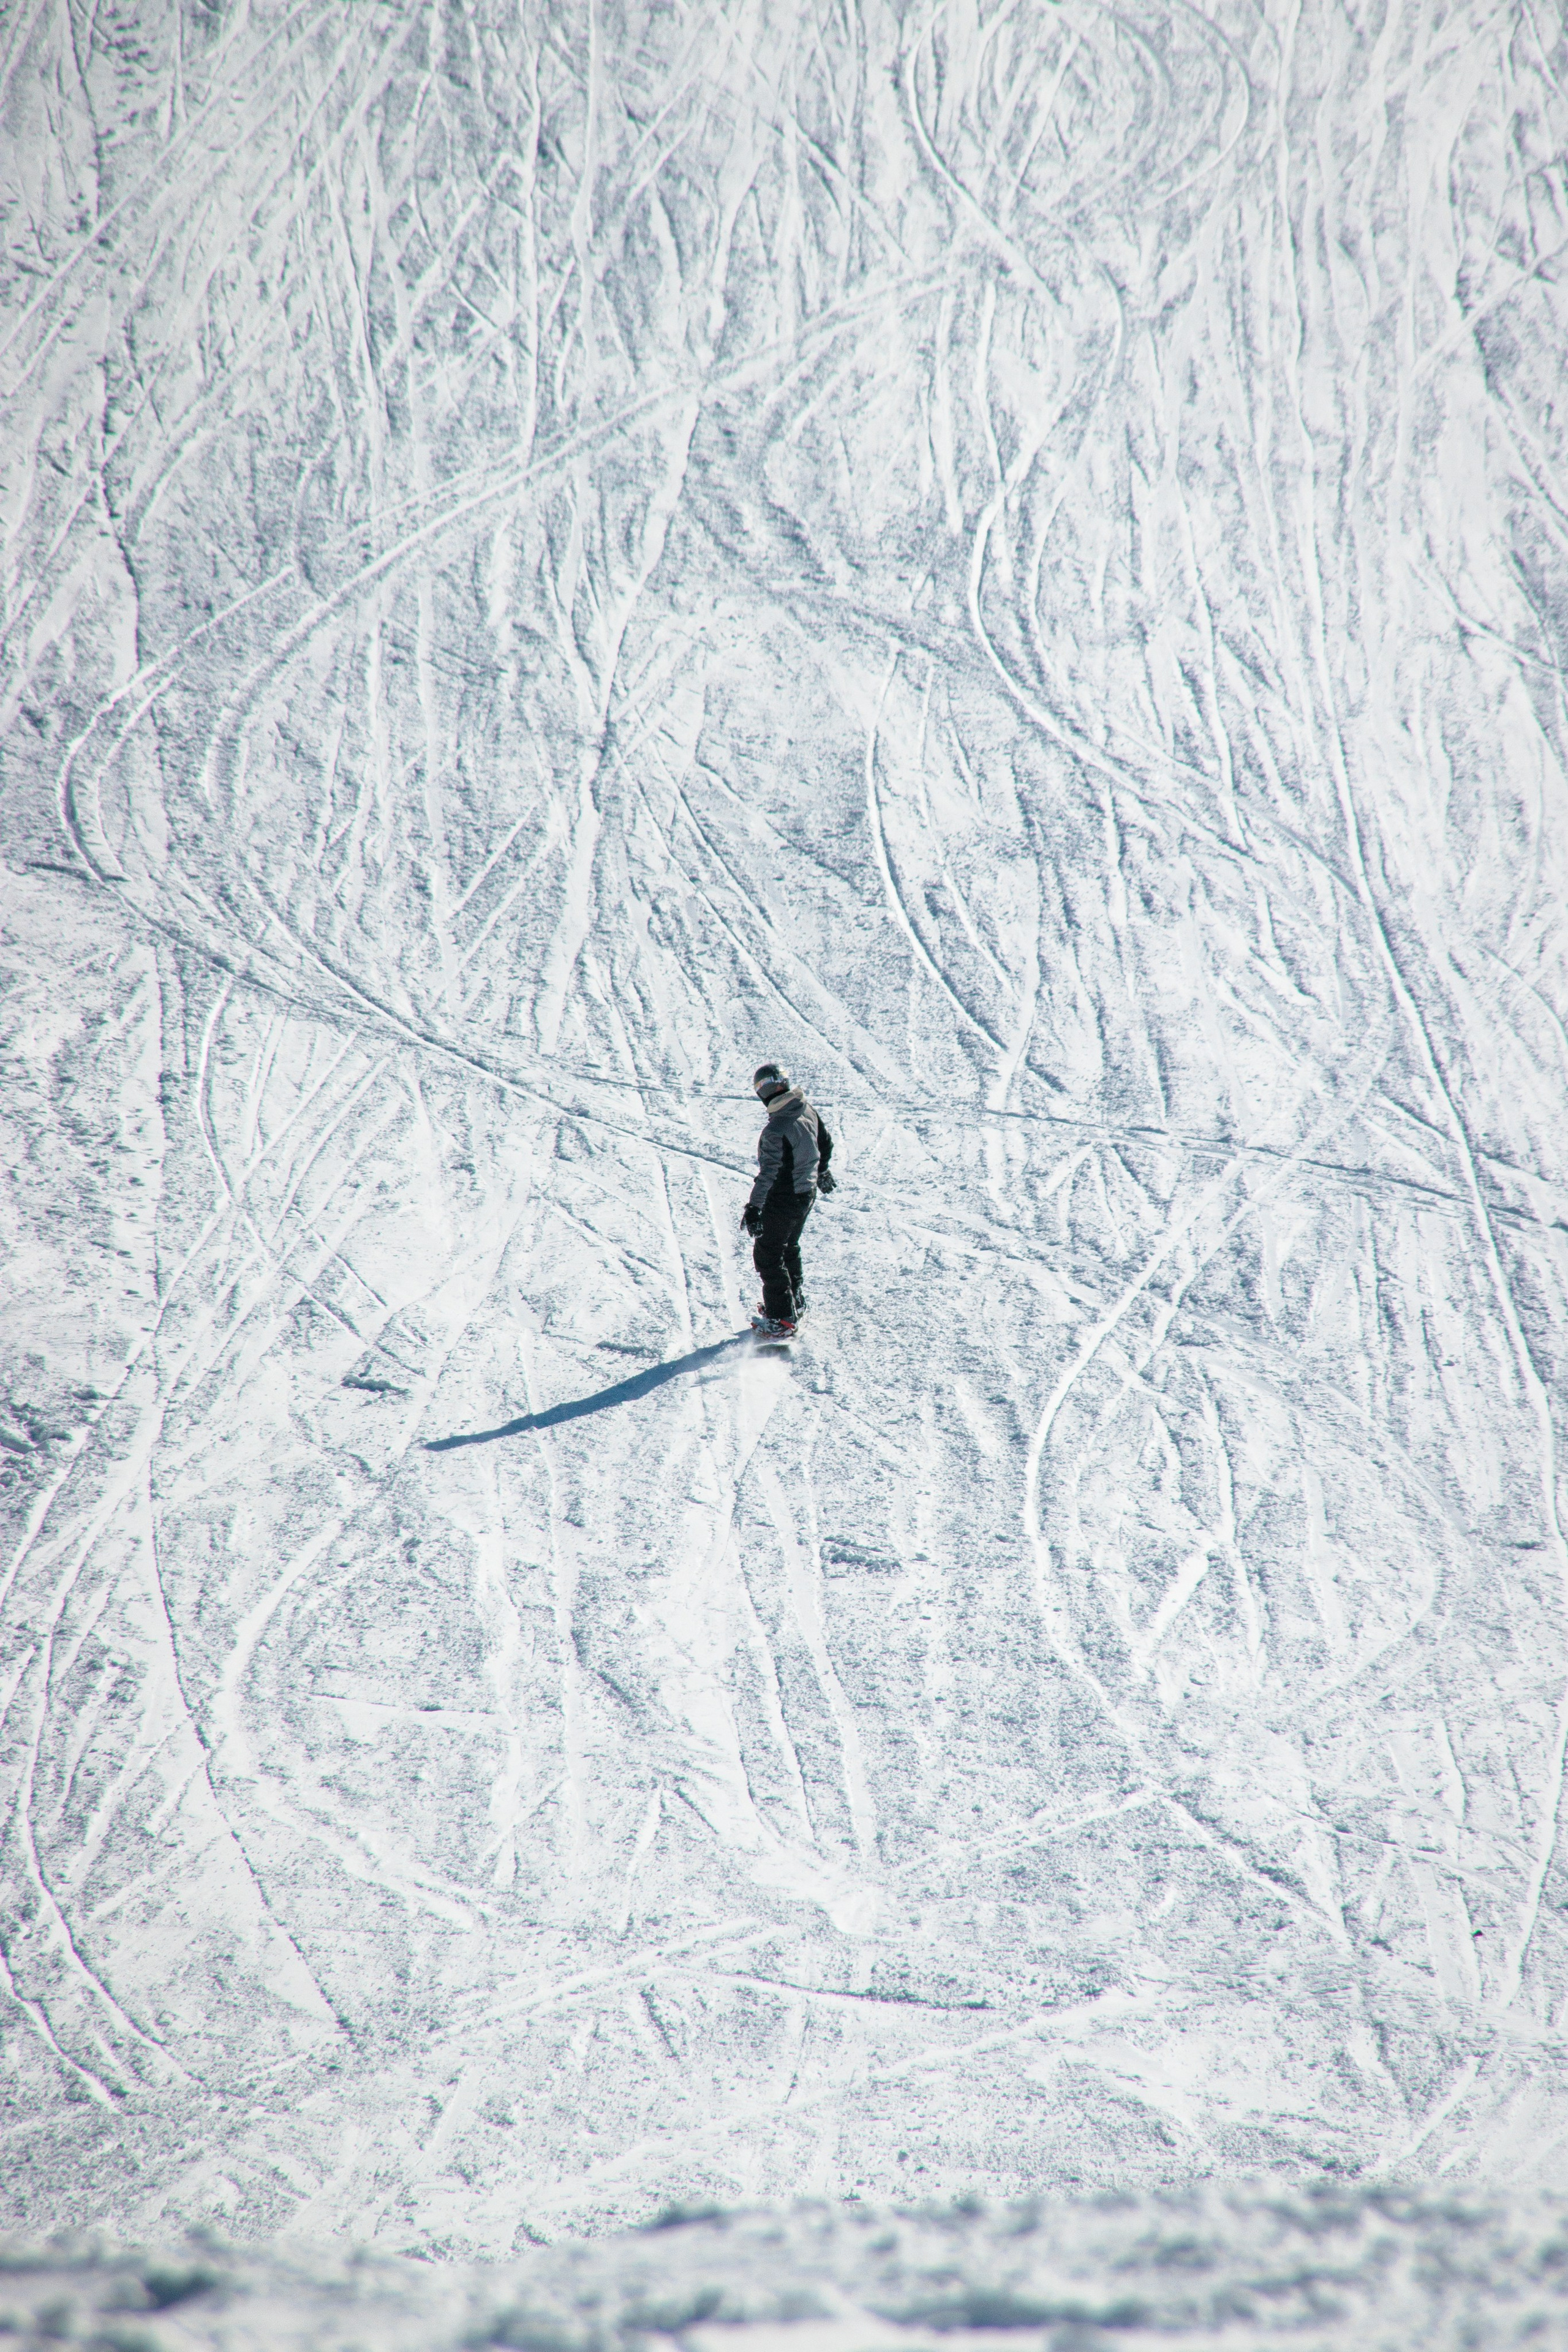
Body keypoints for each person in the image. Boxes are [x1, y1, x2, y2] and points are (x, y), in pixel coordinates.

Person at [741, 1063, 835, 1335]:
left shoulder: (776, 1130)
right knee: (788, 1245)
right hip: (807, 1193)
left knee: (769, 1254)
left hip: (784, 1197)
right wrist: (822, 1170)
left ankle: (782, 1318)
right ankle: (794, 1303)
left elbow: (768, 1174)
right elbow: (825, 1143)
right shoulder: (805, 1108)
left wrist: (755, 1208)